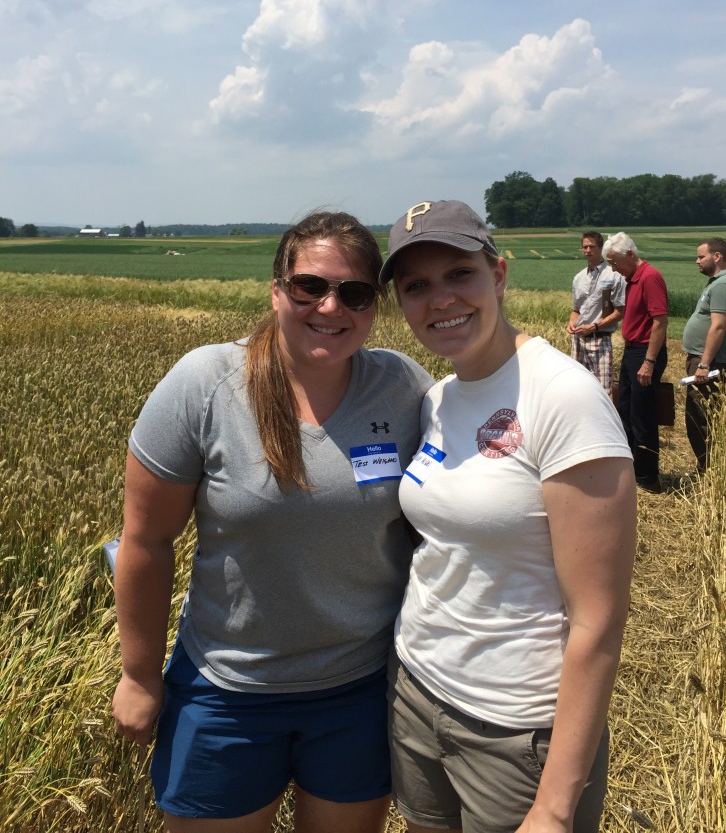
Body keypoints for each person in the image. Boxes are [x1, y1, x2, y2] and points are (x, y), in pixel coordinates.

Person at [112, 210, 433, 833]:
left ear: (374, 307)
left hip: (360, 688)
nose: (330, 306)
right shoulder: (205, 384)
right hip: (226, 690)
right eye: (310, 286)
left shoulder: (402, 388)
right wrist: (139, 674)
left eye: (355, 293)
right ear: (277, 290)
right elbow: (146, 541)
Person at [379, 199, 637, 833]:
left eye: (459, 275)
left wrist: (553, 806)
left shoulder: (562, 398)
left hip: (517, 730)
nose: (439, 300)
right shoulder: (438, 399)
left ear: (497, 276)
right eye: (417, 286)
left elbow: (599, 621)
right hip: (415, 694)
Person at [602, 232, 669, 493]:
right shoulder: (631, 278)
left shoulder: (650, 277)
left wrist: (649, 361)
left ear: (630, 254)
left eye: (615, 261)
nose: (612, 268)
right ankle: (631, 468)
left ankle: (648, 477)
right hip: (632, 352)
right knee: (625, 411)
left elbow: (660, 321)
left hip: (644, 353)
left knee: (643, 415)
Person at [681, 237, 726, 473]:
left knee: (701, 420)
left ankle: (709, 471)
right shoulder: (716, 283)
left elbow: (718, 327)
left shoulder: (723, 286)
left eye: (701, 256)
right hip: (703, 359)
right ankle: (705, 468)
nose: (697, 261)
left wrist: (704, 363)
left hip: (710, 362)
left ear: (717, 257)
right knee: (696, 418)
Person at [566, 231, 625, 394]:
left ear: (601, 249)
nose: (587, 250)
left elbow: (620, 312)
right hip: (578, 340)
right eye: (584, 247)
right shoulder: (578, 278)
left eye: (592, 246)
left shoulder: (614, 275)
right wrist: (572, 322)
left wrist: (594, 327)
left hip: (600, 339)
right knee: (578, 386)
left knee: (603, 390)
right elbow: (576, 310)